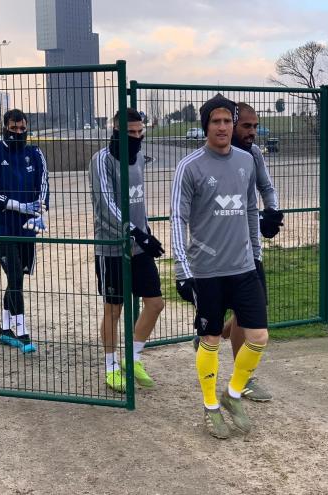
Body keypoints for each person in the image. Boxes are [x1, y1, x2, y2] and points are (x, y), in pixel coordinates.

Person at [171, 94, 268, 439]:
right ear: (206, 127)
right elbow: (177, 219)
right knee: (210, 338)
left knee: (258, 336)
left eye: (228, 121)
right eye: (217, 122)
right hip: (207, 270)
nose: (224, 127)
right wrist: (182, 270)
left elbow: (250, 211)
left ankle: (233, 393)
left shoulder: (246, 161)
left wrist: (256, 254)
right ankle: (211, 405)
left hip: (243, 266)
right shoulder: (190, 166)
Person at [89, 108, 165, 393]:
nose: (135, 137)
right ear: (115, 130)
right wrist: (134, 232)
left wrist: (146, 234)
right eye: (129, 132)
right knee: (114, 308)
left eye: (139, 132)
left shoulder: (139, 161)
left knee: (155, 303)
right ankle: (110, 367)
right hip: (111, 247)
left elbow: (139, 203)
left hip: (139, 245)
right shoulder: (102, 160)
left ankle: (131, 359)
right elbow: (107, 203)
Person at [221, 102, 283, 401]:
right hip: (219, 250)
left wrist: (272, 212)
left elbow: (267, 188)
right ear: (231, 125)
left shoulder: (254, 154)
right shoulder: (212, 158)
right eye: (247, 126)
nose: (253, 132)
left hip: (250, 248)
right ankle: (241, 378)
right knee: (244, 314)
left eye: (256, 126)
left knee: (251, 311)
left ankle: (215, 333)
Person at [0, 109, 50, 354]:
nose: (18, 133)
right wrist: (17, 205)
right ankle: (22, 331)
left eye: (22, 129)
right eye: (13, 128)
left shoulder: (35, 153)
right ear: (5, 127)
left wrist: (40, 208)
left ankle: (4, 329)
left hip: (28, 227)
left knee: (18, 278)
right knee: (15, 276)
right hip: (2, 228)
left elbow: (44, 185)